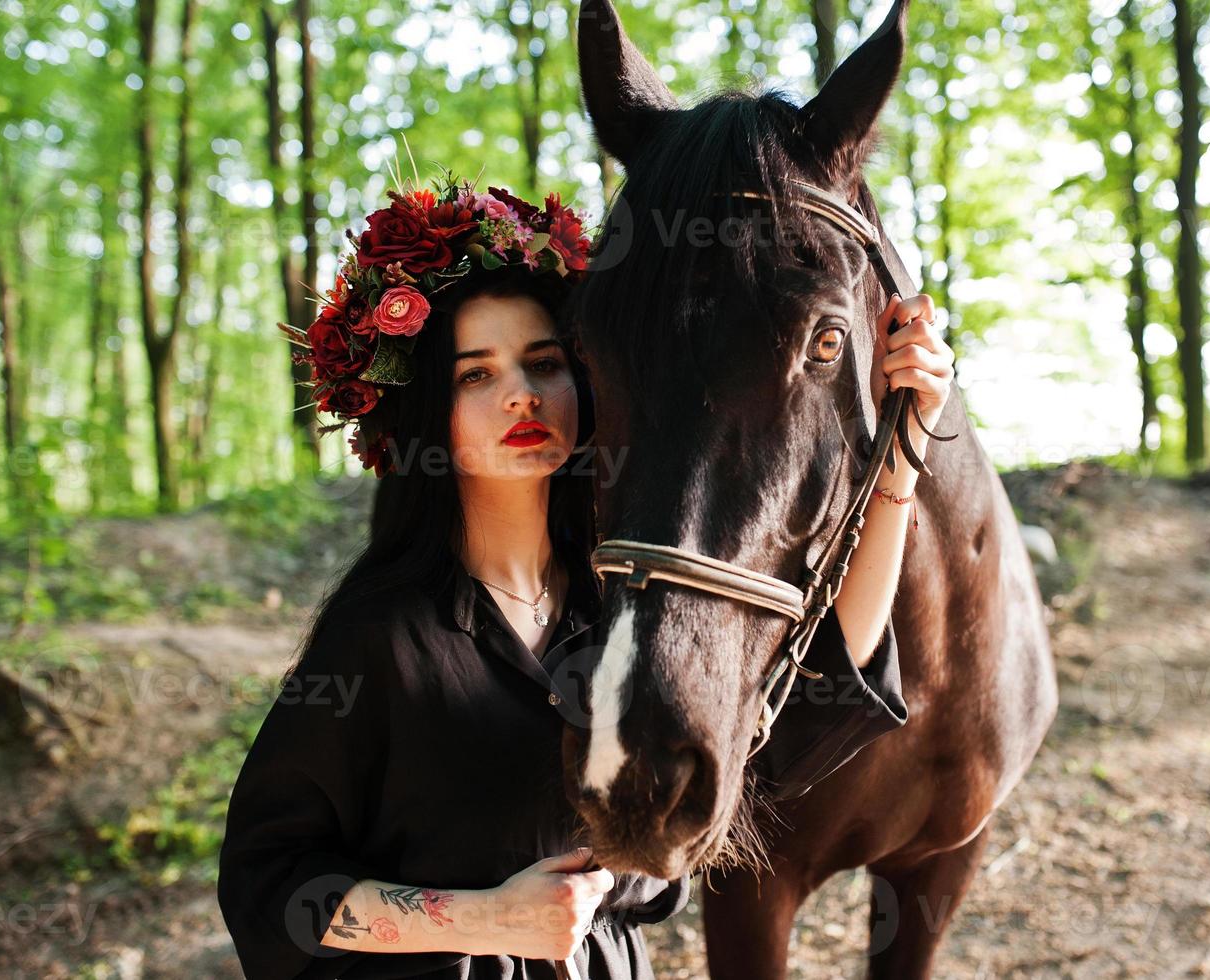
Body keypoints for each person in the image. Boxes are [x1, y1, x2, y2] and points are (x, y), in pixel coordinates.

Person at [217, 171, 955, 979]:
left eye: (543, 363)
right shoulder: (384, 636)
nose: (521, 396)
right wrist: (486, 918)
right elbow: (268, 886)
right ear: (430, 413)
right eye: (476, 375)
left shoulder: (625, 607)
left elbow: (822, 689)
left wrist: (903, 445)